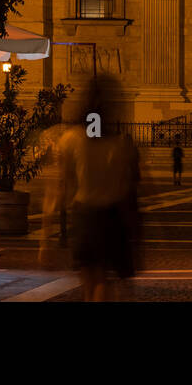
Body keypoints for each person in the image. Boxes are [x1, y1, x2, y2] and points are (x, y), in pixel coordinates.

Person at [54, 76, 140, 301]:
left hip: (83, 213)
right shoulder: (119, 143)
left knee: (89, 282)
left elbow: (64, 184)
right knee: (102, 280)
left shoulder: (70, 138)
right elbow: (127, 186)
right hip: (110, 215)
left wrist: (46, 236)